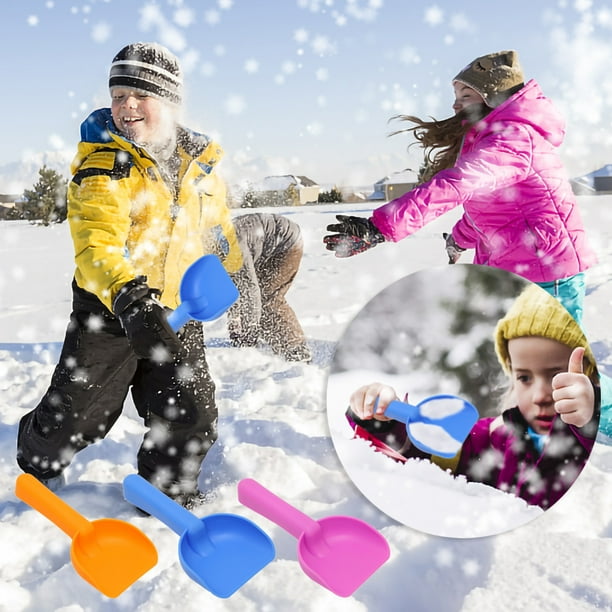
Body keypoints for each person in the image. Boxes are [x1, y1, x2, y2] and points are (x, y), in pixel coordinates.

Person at [16, 42, 243, 507]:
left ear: (171, 102)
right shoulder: (105, 165)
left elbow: (216, 228)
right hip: (111, 309)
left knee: (191, 412)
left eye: (141, 94)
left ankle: (166, 492)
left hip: (181, 307)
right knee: (78, 417)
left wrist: (230, 267)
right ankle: (37, 458)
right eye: (118, 95)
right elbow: (95, 243)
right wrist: (131, 300)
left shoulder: (200, 166)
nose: (127, 106)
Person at [324, 50, 597, 324]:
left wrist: (380, 226)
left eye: (466, 96)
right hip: (518, 268)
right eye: (455, 97)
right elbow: (494, 209)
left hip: (547, 273)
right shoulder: (494, 139)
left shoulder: (512, 141)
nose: (456, 106)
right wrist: (460, 238)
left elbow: (456, 184)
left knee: (553, 363)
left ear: (495, 98)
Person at [346, 284, 600, 509]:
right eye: (524, 377)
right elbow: (438, 456)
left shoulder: (594, 439)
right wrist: (386, 421)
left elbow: (558, 489)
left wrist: (584, 424)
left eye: (557, 376)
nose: (539, 393)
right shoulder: (499, 434)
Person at [226, 212, 311, 362]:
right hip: (267, 244)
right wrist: (235, 325)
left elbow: (250, 289)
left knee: (268, 296)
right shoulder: (219, 252)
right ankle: (279, 345)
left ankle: (297, 349)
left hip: (287, 244)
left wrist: (249, 330)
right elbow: (234, 288)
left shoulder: (233, 250)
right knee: (259, 299)